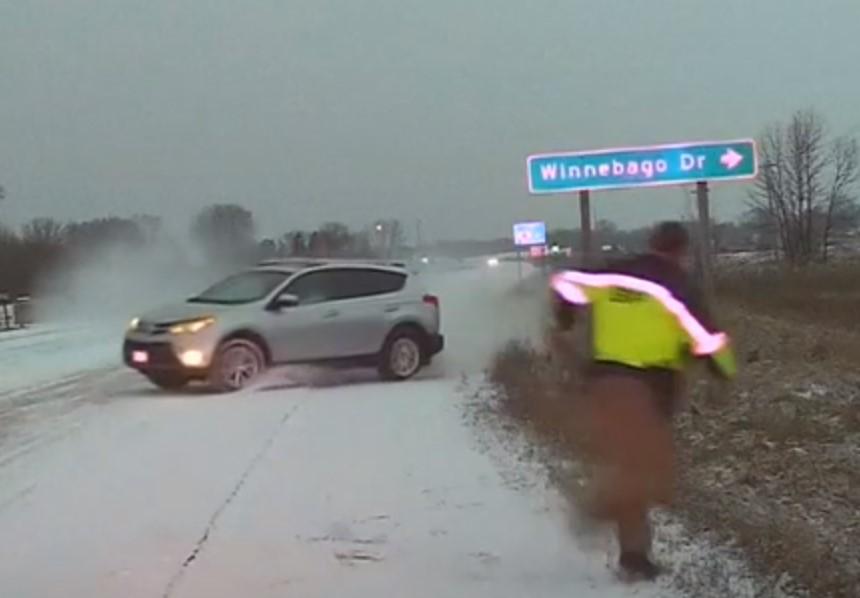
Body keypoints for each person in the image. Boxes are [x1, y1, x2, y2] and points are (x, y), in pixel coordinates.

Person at [549, 221, 736, 580]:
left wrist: (565, 319)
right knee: (652, 475)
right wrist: (724, 374)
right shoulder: (679, 287)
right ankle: (595, 506)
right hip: (645, 386)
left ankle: (633, 557)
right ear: (681, 251)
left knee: (631, 467)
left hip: (603, 382)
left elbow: (564, 283)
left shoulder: (613, 274)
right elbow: (710, 341)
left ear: (652, 243)